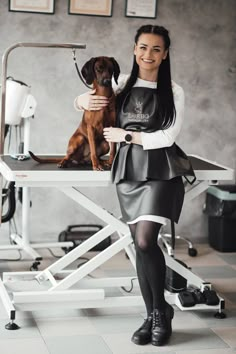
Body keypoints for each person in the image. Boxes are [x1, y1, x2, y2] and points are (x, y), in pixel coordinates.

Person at [75, 24, 195, 347]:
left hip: (160, 170)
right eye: (143, 47)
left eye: (156, 49)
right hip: (128, 172)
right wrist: (80, 100)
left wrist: (128, 136)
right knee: (138, 245)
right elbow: (87, 103)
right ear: (134, 49)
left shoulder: (175, 91)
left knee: (144, 241)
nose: (148, 55)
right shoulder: (122, 84)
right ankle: (154, 313)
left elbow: (168, 136)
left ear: (166, 53)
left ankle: (159, 312)